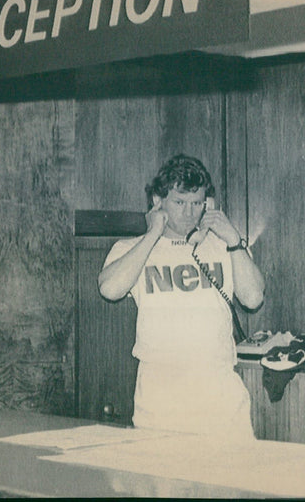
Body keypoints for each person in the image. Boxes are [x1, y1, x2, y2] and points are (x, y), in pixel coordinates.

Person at [98, 154, 265, 440]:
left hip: (220, 398)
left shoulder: (224, 246)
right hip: (162, 399)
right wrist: (153, 234)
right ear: (158, 201)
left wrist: (233, 240)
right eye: (179, 203)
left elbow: (253, 298)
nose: (189, 213)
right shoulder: (131, 249)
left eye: (197, 203)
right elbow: (109, 289)